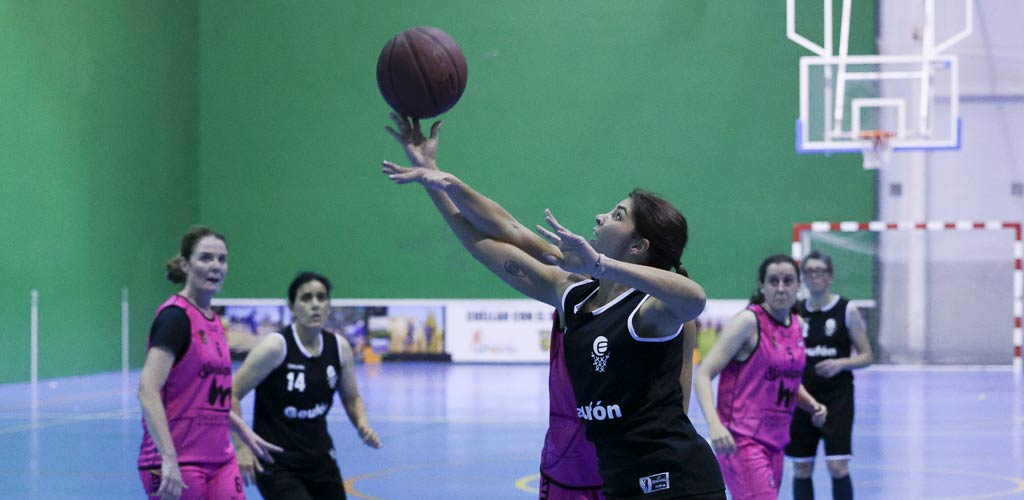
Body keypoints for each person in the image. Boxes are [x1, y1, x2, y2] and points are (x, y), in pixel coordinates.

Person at [382, 114, 725, 500]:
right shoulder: (572, 295)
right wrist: (434, 178)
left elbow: (694, 298)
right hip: (619, 481)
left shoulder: (650, 311)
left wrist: (601, 265)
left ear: (638, 247)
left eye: (617, 215)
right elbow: (489, 241)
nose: (600, 216)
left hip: (676, 482)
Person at [138, 227, 283, 500]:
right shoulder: (175, 318)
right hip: (179, 460)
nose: (215, 266)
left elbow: (204, 398)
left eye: (221, 259)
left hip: (220, 458)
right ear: (185, 264)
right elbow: (147, 390)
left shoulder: (214, 321)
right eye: (205, 258)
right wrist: (169, 458)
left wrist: (241, 429)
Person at [231, 271, 382, 500]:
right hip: (277, 464)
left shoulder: (339, 347)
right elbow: (230, 393)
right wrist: (242, 447)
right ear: (292, 307)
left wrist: (362, 425)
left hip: (320, 460)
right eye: (306, 298)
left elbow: (352, 398)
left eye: (321, 297)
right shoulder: (275, 347)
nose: (315, 305)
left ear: (329, 306)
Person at [694, 254, 827, 500]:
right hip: (740, 440)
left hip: (776, 440)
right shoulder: (748, 322)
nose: (781, 288)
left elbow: (787, 379)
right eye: (773, 281)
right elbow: (703, 374)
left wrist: (812, 405)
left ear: (798, 286)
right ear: (762, 286)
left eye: (788, 281)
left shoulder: (796, 324)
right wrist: (714, 425)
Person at [786, 252, 873, 500]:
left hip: (838, 398)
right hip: (802, 398)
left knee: (837, 466)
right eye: (809, 271)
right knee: (802, 467)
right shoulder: (794, 311)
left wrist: (841, 363)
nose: (815, 276)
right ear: (802, 278)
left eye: (820, 271)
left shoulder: (846, 310)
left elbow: (867, 356)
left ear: (830, 277)